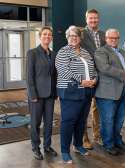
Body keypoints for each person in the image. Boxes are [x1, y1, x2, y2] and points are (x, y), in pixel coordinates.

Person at [56, 25, 97, 164]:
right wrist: (82, 80)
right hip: (70, 92)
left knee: (81, 121)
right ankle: (65, 151)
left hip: (86, 92)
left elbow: (93, 68)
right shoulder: (63, 52)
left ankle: (78, 145)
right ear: (67, 37)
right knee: (68, 122)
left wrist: (94, 79)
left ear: (80, 38)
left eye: (76, 36)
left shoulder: (85, 52)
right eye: (71, 36)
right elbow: (63, 70)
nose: (73, 38)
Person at [94, 28, 125, 155]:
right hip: (107, 92)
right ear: (106, 39)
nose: (114, 40)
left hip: (123, 90)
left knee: (120, 119)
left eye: (116, 38)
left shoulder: (122, 52)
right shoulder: (101, 51)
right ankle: (108, 144)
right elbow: (105, 68)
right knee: (108, 120)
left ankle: (117, 141)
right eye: (111, 38)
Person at [27, 26, 57, 160]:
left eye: (49, 35)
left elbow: (55, 75)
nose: (47, 36)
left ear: (51, 38)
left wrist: (55, 92)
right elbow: (29, 76)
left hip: (50, 94)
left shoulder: (54, 54)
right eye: (44, 34)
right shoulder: (32, 53)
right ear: (40, 36)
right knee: (35, 123)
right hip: (37, 95)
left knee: (49, 122)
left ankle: (47, 146)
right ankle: (35, 147)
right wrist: (32, 94)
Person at [80, 9, 105, 149]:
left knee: (97, 108)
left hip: (101, 77)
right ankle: (84, 138)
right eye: (91, 18)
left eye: (95, 18)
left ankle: (97, 135)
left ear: (98, 19)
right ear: (86, 19)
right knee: (84, 108)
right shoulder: (81, 34)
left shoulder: (103, 35)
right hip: (86, 76)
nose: (93, 20)